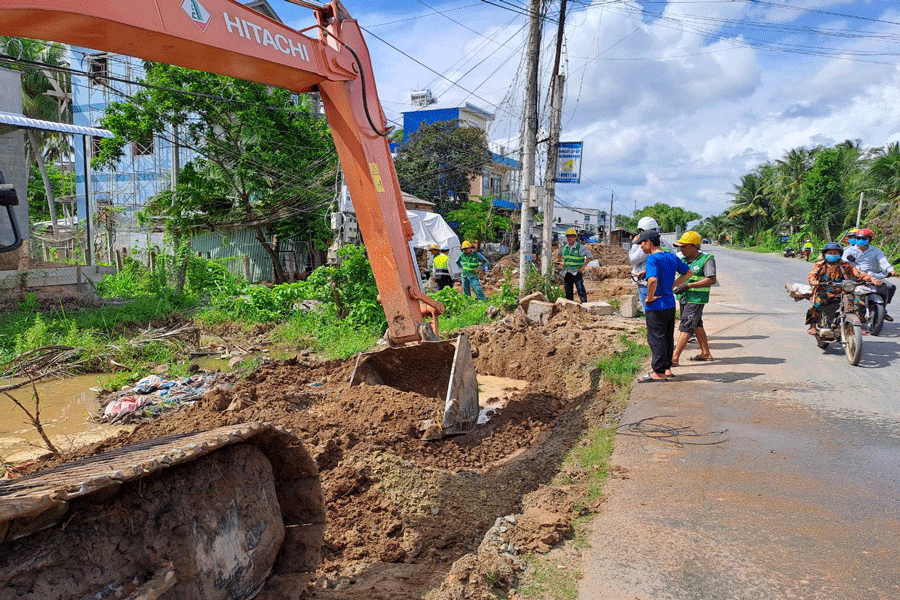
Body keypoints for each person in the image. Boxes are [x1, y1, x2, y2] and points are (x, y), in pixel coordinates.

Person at [636, 229, 693, 382]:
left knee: (656, 338)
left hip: (656, 306)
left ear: (648, 242)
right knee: (667, 337)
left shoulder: (652, 259)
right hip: (669, 304)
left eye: (641, 243)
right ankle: (667, 368)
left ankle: (659, 372)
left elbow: (653, 280)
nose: (640, 247)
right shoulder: (671, 256)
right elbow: (688, 273)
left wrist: (649, 297)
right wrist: (673, 285)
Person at [806, 242, 881, 336]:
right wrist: (813, 281)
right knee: (816, 304)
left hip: (843, 291)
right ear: (825, 254)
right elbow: (812, 275)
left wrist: (872, 279)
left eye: (835, 253)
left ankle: (858, 326)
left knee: (859, 303)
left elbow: (858, 273)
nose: (832, 255)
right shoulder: (820, 265)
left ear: (840, 254)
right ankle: (812, 326)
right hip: (824, 290)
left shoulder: (845, 265)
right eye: (830, 253)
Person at [670, 231, 716, 365]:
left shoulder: (707, 259)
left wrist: (689, 285)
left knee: (686, 326)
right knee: (696, 324)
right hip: (685, 297)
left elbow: (711, 279)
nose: (681, 249)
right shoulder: (683, 259)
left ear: (694, 246)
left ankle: (674, 358)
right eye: (680, 247)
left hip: (696, 299)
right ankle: (705, 353)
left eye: (684, 246)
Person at [842, 228, 898, 322]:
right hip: (855, 276)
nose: (861, 240)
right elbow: (844, 263)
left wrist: (891, 270)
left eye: (864, 238)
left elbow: (883, 262)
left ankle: (882, 309)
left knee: (890, 286)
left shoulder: (876, 251)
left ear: (870, 239)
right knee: (846, 289)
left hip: (874, 275)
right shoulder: (849, 251)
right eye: (859, 238)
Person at [629, 216, 673, 310]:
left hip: (647, 284)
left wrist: (634, 245)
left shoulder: (647, 245)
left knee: (651, 313)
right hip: (664, 283)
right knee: (662, 311)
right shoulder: (666, 244)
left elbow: (633, 260)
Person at [557, 228, 590, 302]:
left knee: (580, 290)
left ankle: (584, 305)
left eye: (572, 236)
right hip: (567, 272)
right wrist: (561, 261)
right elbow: (558, 255)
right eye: (568, 236)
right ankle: (570, 307)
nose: (570, 238)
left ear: (575, 237)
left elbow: (589, 256)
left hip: (577, 272)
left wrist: (583, 267)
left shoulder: (580, 247)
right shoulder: (564, 248)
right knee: (568, 291)